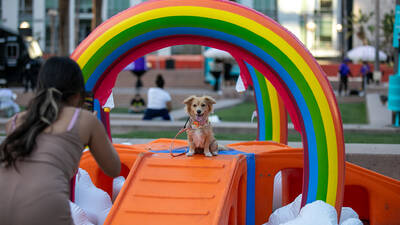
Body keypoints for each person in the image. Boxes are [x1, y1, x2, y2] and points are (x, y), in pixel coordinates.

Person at [0, 56, 121, 225]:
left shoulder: (15, 121)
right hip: (46, 205)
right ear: (78, 94)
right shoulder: (84, 120)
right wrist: (92, 134)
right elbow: (114, 169)